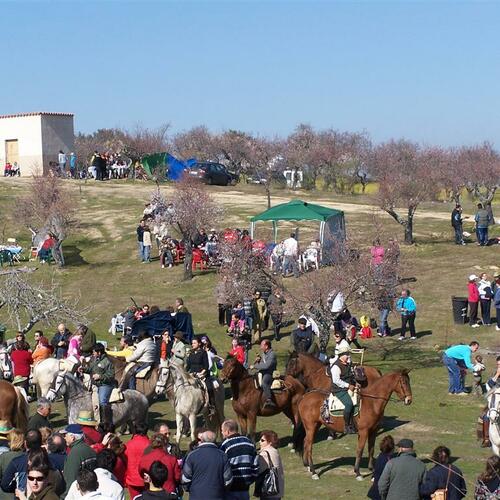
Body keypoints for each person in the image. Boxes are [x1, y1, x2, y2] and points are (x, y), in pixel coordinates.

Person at [181, 430, 233, 500]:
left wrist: (190, 490)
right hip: (217, 496)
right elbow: (228, 480)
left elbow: (185, 479)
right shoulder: (222, 456)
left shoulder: (192, 455)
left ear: (202, 440)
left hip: (196, 496)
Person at [220, 419, 259, 500]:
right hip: (245, 486)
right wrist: (251, 479)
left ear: (227, 431)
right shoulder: (249, 442)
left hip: (230, 487)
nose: (222, 433)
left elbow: (221, 465)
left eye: (222, 431)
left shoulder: (225, 445)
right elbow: (255, 464)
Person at [81, 343, 115, 425]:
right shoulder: (94, 359)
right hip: (95, 385)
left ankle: (105, 422)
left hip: (105, 385)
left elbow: (111, 375)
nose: (93, 353)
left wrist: (100, 376)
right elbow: (91, 369)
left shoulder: (108, 361)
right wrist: (83, 369)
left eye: (94, 352)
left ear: (99, 352)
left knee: (102, 401)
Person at [60, 424, 97, 497]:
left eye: (65, 435)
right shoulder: (90, 449)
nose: (64, 438)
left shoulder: (74, 453)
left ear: (72, 437)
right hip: (90, 491)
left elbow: (70, 479)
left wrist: (64, 497)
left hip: (79, 493)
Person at [330, 345, 357, 434]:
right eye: (347, 354)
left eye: (348, 354)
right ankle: (346, 426)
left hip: (349, 385)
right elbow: (336, 381)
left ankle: (354, 423)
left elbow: (351, 375)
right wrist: (348, 386)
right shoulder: (336, 367)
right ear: (341, 355)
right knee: (349, 404)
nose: (348, 356)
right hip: (339, 390)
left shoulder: (348, 363)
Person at [186, 337, 216, 415]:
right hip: (192, 375)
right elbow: (188, 366)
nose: (192, 344)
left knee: (209, 388)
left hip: (202, 374)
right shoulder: (191, 353)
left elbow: (206, 366)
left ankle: (211, 406)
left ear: (199, 344)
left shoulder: (203, 353)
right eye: (192, 343)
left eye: (194, 343)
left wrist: (201, 374)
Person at [255, 430, 284, 500]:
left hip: (268, 491)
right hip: (278, 490)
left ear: (270, 442)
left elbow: (258, 471)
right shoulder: (275, 451)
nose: (259, 442)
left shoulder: (264, 454)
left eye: (262, 440)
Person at [124, 422, 150, 499]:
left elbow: (124, 459)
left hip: (132, 479)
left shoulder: (128, 444)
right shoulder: (149, 445)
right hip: (146, 479)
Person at [250, 340, 277, 409]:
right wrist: (258, 361)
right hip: (263, 371)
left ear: (266, 346)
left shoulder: (272, 354)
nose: (260, 347)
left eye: (262, 345)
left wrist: (255, 366)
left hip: (269, 373)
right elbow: (262, 364)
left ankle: (269, 400)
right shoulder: (264, 353)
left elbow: (266, 366)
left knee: (264, 383)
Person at [367, 435, 395, 500]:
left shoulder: (380, 456)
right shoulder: (389, 461)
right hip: (381, 492)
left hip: (376, 490)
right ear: (392, 448)